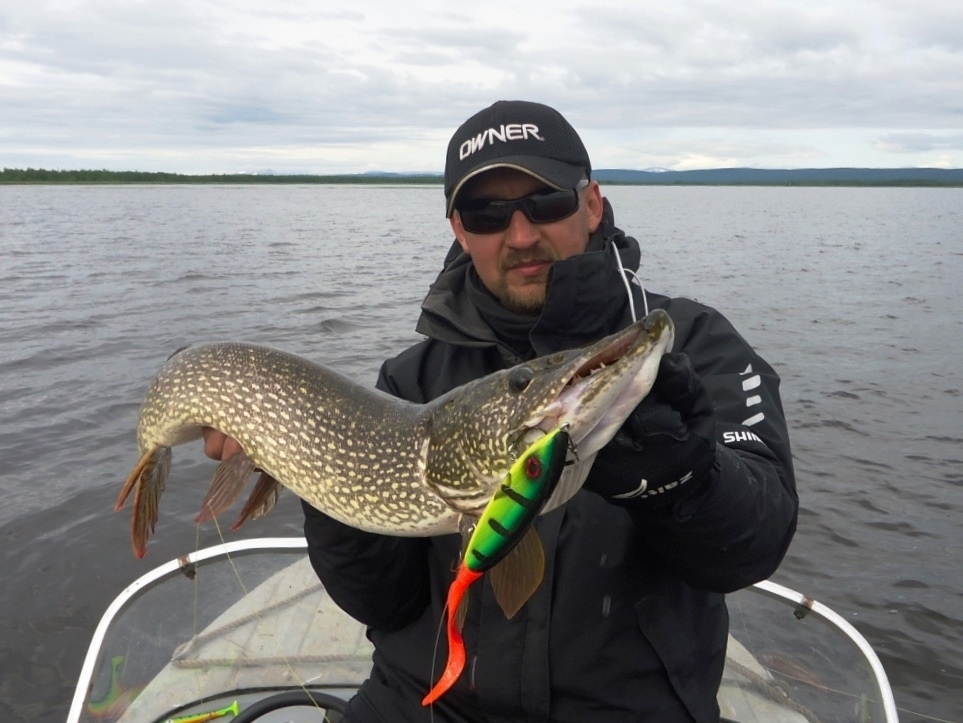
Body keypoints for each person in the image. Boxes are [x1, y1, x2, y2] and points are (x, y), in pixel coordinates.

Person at [204, 100, 798, 722]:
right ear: (460, 231)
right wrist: (314, 470)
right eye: (487, 214)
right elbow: (381, 602)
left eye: (545, 203)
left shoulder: (694, 345)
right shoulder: (409, 379)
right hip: (422, 704)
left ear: (592, 204)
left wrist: (684, 478)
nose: (520, 235)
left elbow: (754, 546)